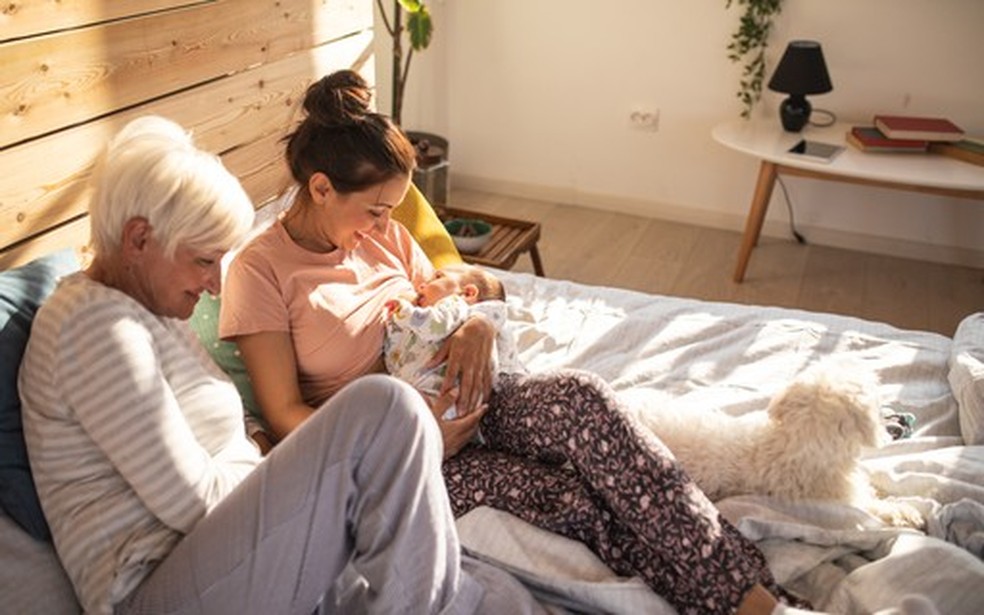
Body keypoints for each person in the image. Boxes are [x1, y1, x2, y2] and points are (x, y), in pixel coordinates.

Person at [219, 69, 813, 615]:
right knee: (571, 500)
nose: (383, 228)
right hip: (400, 455)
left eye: (392, 210)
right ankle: (744, 603)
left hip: (473, 392)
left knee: (585, 402)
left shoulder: (387, 236)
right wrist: (417, 438)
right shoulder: (260, 270)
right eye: (374, 211)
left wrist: (479, 325)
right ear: (320, 188)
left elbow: (450, 295)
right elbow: (287, 416)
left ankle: (756, 593)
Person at [17, 115, 543, 615]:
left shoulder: (151, 310)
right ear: (138, 239)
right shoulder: (95, 328)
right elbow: (197, 503)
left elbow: (225, 435)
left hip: (224, 556)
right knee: (387, 409)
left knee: (486, 586)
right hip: (159, 587)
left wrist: (270, 453)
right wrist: (285, 467)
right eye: (203, 261)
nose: (215, 287)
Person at [383, 263, 521, 421]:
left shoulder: (456, 303)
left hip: (445, 398)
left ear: (468, 293)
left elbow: (434, 325)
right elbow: (396, 357)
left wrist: (403, 311)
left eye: (437, 277)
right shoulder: (432, 326)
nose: (421, 286)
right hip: (451, 402)